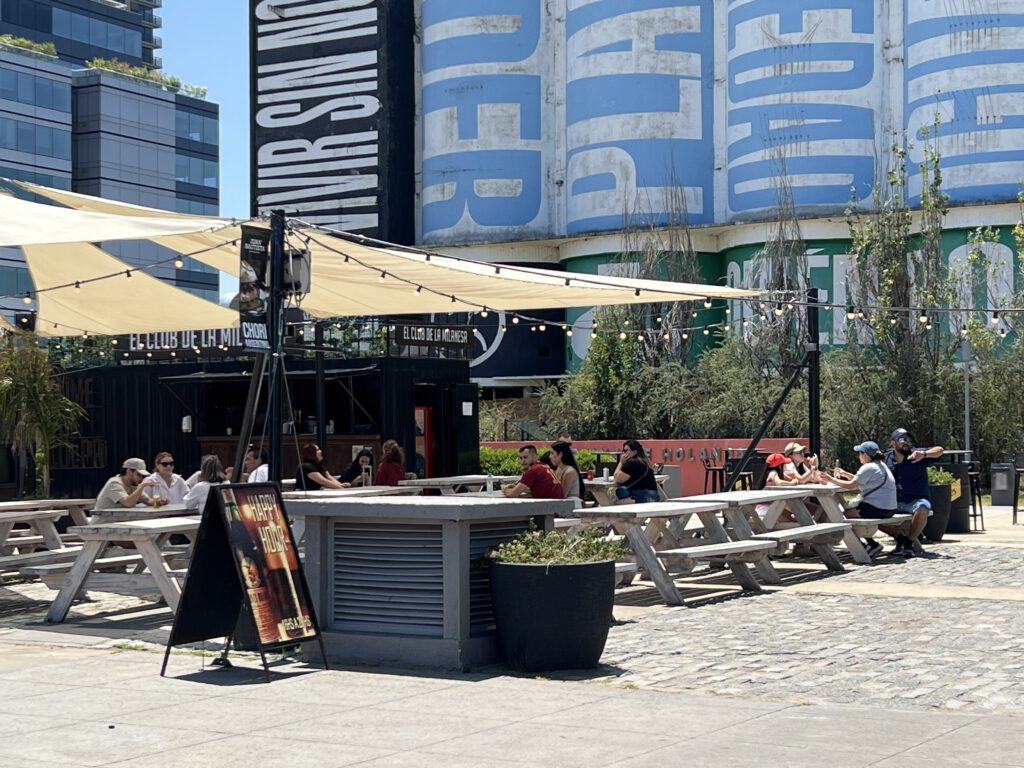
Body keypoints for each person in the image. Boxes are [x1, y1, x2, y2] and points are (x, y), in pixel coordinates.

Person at [820, 440, 897, 559]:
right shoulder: (880, 465)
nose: (858, 456)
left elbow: (852, 485)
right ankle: (870, 543)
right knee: (846, 510)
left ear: (865, 454)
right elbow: (859, 480)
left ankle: (863, 546)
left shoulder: (868, 467)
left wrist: (830, 479)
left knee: (841, 517)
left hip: (877, 508)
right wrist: (845, 473)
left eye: (859, 453)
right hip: (889, 508)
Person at [885, 428, 944, 556]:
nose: (906, 443)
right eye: (902, 439)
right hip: (894, 502)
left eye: (908, 440)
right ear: (893, 443)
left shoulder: (917, 454)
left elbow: (940, 450)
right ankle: (899, 537)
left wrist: (925, 454)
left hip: (915, 501)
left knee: (923, 507)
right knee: (867, 513)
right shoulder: (886, 458)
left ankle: (909, 542)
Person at [95, 458, 160, 509]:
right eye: (139, 475)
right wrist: (142, 486)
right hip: (104, 523)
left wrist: (160, 502)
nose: (141, 478)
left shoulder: (134, 485)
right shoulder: (114, 483)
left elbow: (148, 501)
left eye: (143, 476)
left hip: (123, 522)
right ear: (129, 471)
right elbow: (128, 503)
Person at [613, 439, 659, 504]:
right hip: (653, 497)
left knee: (615, 503)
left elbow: (617, 478)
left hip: (642, 497)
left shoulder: (632, 463)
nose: (623, 453)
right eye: (623, 450)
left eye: (626, 450)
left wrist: (621, 462)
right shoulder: (645, 462)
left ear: (634, 452)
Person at [754, 452, 798, 521]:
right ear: (779, 466)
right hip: (766, 509)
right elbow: (779, 483)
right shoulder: (773, 473)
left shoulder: (769, 473)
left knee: (793, 516)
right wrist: (792, 483)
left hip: (770, 507)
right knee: (793, 518)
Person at [549, 440, 583, 508]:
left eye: (552, 453)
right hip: (561, 505)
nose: (550, 456)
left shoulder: (569, 471)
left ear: (560, 454)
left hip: (571, 506)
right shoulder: (557, 469)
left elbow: (562, 495)